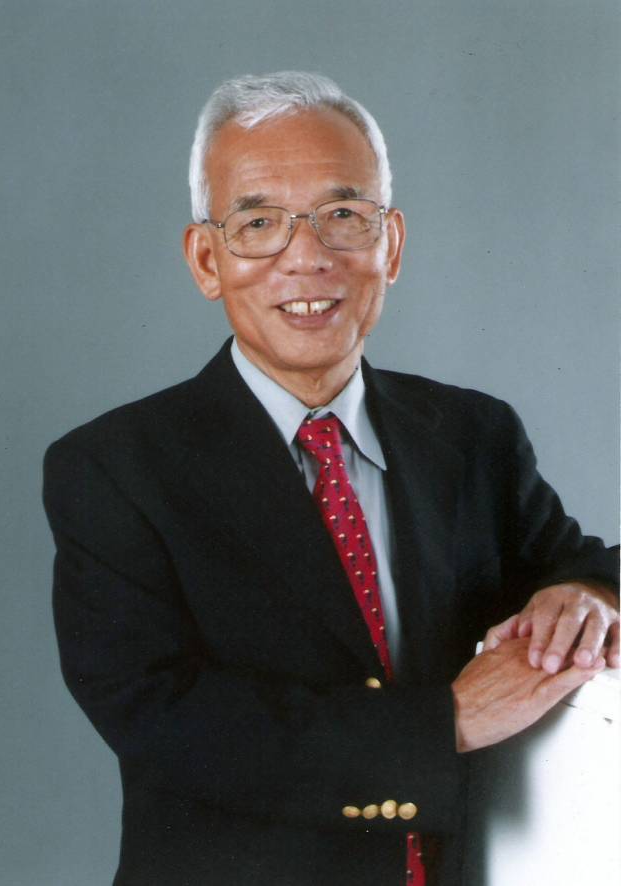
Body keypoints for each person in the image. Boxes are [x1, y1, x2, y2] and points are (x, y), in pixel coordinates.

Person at [43, 72, 619, 886]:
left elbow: (583, 563)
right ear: (207, 260)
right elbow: (164, 720)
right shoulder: (115, 467)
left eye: (344, 216)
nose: (307, 257)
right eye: (259, 224)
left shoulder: (472, 435)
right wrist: (446, 722)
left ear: (392, 245)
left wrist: (588, 595)